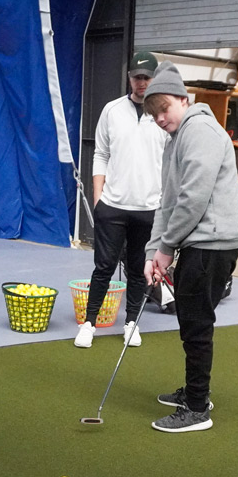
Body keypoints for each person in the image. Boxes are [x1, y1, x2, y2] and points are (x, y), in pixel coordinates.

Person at [142, 61, 238, 432]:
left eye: (164, 108)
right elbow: (167, 201)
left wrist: (167, 247)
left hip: (213, 244)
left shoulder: (200, 130)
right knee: (190, 318)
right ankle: (194, 391)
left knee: (197, 322)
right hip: (199, 242)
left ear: (184, 100)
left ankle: (198, 409)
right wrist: (153, 251)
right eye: (152, 113)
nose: (159, 118)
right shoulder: (176, 140)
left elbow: (193, 199)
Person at [74, 51, 169, 349]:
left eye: (147, 78)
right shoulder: (112, 110)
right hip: (112, 207)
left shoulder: (164, 115)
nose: (141, 83)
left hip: (149, 208)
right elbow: (100, 153)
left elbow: (172, 160)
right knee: (103, 266)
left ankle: (131, 323)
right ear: (129, 79)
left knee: (140, 267)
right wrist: (98, 197)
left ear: (155, 80)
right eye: (137, 77)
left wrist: (165, 201)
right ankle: (89, 323)